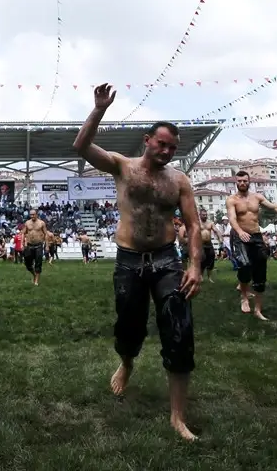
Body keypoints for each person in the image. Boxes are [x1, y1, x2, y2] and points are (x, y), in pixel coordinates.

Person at [73, 83, 202, 442]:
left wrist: (194, 266)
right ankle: (127, 362)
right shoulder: (123, 167)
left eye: (173, 147)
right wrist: (98, 109)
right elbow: (81, 147)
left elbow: (193, 225)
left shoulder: (179, 181)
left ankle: (177, 416)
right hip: (129, 261)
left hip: (166, 260)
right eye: (162, 144)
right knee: (129, 328)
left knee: (179, 331)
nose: (167, 151)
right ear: (147, 140)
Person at [225, 170, 277, 321]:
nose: (242, 183)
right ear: (236, 183)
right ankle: (244, 296)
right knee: (244, 265)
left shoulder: (257, 197)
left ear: (249, 181)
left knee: (260, 269)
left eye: (245, 181)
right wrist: (239, 231)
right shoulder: (232, 200)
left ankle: (258, 310)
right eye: (239, 181)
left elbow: (276, 209)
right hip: (239, 236)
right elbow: (232, 218)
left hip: (256, 235)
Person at [21, 209, 50, 285]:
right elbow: (23, 233)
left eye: (33, 214)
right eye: (31, 215)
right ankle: (34, 274)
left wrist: (47, 245)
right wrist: (22, 244)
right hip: (29, 245)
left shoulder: (41, 223)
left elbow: (46, 234)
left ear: (37, 214)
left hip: (38, 245)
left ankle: (36, 280)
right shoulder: (27, 223)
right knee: (27, 263)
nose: (32, 216)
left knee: (38, 263)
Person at [197, 210, 216, 282]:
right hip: (201, 244)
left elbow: (216, 230)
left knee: (211, 260)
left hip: (209, 244)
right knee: (202, 260)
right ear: (200, 215)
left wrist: (220, 237)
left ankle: (209, 277)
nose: (205, 216)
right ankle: (201, 276)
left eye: (205, 215)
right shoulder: (197, 223)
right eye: (203, 215)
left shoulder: (210, 223)